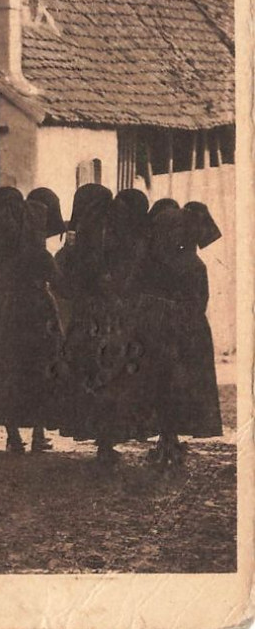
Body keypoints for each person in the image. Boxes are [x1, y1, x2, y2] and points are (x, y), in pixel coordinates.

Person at [0, 187, 66, 453]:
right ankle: (38, 433)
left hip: (3, 312)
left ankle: (12, 437)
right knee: (39, 369)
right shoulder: (39, 255)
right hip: (36, 311)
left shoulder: (0, 256)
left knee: (7, 371)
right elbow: (61, 283)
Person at [57, 185, 151, 465]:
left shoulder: (89, 232)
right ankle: (107, 440)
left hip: (91, 316)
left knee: (92, 372)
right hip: (117, 315)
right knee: (113, 374)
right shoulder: (121, 231)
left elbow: (72, 278)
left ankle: (103, 438)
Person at [138, 199, 223, 466]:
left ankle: (166, 438)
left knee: (161, 385)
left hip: (159, 329)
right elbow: (200, 302)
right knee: (181, 386)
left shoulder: (153, 263)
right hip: (189, 332)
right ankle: (170, 440)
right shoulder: (194, 265)